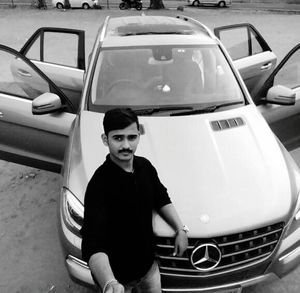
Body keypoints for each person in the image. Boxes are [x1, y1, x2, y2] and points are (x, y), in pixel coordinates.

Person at [81, 108, 188, 293]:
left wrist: (180, 228)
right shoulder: (99, 185)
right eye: (118, 138)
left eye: (131, 137)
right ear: (105, 139)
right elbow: (92, 243)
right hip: (119, 281)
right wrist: (109, 283)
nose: (126, 145)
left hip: (149, 270)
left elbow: (161, 197)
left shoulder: (145, 167)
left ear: (139, 135)